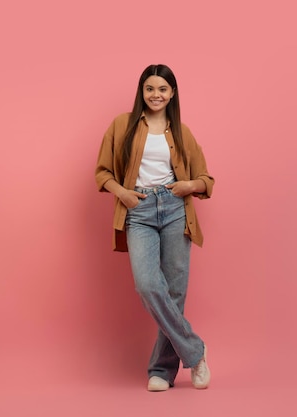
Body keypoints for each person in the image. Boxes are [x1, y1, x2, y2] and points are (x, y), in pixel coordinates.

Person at [95, 64, 214, 391]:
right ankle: (195, 350)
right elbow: (103, 172)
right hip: (140, 210)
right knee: (148, 285)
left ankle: (161, 371)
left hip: (175, 209)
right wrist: (123, 194)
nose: (156, 95)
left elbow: (207, 179)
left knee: (174, 293)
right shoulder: (123, 125)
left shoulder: (181, 132)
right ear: (142, 92)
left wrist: (188, 185)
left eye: (162, 89)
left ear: (172, 93)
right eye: (150, 89)